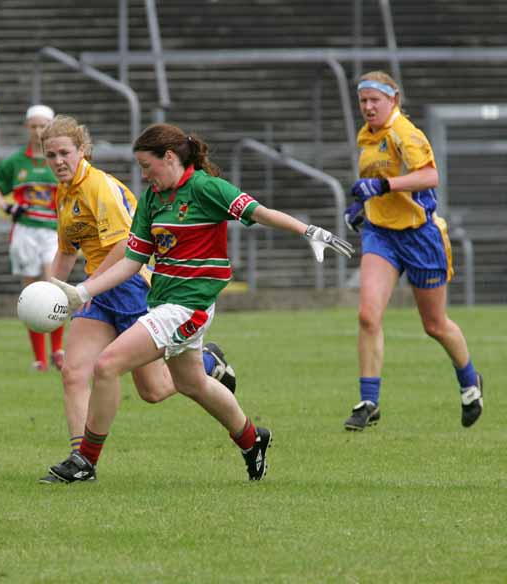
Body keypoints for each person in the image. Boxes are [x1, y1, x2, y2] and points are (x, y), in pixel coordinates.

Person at [48, 122, 353, 483]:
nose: (144, 175)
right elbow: (132, 261)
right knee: (188, 385)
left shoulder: (207, 188)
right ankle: (252, 439)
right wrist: (83, 292)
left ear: (171, 157)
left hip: (189, 306)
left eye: (148, 166)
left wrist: (308, 231)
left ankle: (85, 461)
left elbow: (260, 212)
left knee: (107, 365)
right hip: (162, 301)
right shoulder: (151, 200)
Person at [37, 116, 237, 483]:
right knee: (74, 372)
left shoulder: (99, 187)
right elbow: (67, 251)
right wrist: (49, 292)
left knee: (154, 390)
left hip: (128, 288)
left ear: (82, 150)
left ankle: (208, 364)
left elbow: (123, 247)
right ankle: (81, 459)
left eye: (64, 152)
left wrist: (86, 289)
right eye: (50, 155)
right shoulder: (62, 193)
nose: (58, 160)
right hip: (97, 290)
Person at [342, 70, 483, 431]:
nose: (368, 106)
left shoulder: (404, 133)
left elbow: (429, 177)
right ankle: (368, 401)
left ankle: (469, 382)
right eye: (363, 100)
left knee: (435, 325)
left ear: (394, 100)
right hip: (381, 236)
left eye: (375, 100)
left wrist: (383, 186)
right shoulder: (367, 136)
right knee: (367, 315)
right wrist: (361, 208)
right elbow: (374, 189)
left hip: (420, 236)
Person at [0, 104, 65, 372]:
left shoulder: (61, 159)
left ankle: (58, 351)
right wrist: (5, 206)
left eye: (43, 126)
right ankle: (40, 359)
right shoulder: (17, 160)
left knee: (53, 287)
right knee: (31, 293)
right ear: (26, 128)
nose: (38, 131)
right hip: (25, 231)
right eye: (33, 126)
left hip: (53, 231)